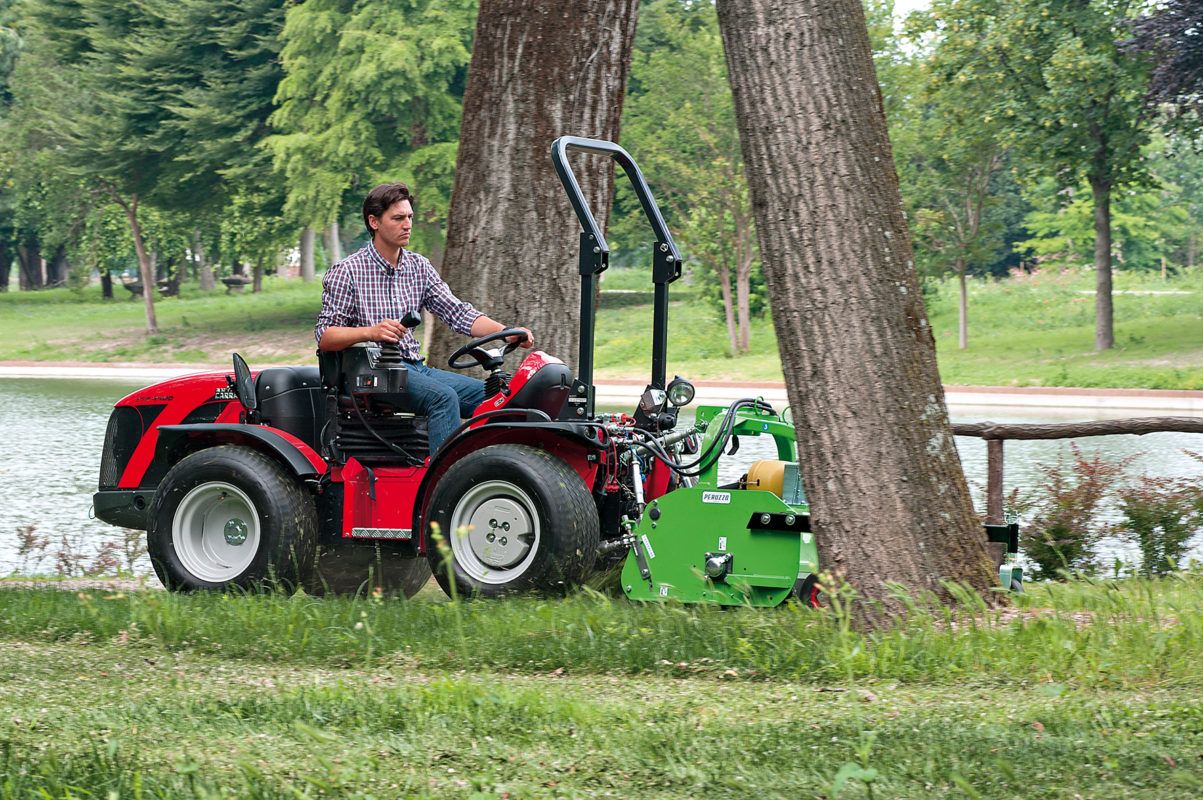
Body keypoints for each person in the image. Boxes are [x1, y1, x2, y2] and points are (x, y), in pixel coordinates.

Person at [315, 182, 533, 452]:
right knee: (443, 399)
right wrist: (371, 332)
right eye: (398, 218)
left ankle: (493, 470)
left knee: (497, 395)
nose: (407, 224)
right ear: (374, 222)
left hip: (415, 368)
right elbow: (325, 337)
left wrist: (507, 330)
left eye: (409, 217)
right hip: (373, 373)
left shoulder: (419, 266)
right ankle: (447, 485)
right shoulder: (347, 271)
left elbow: (458, 313)